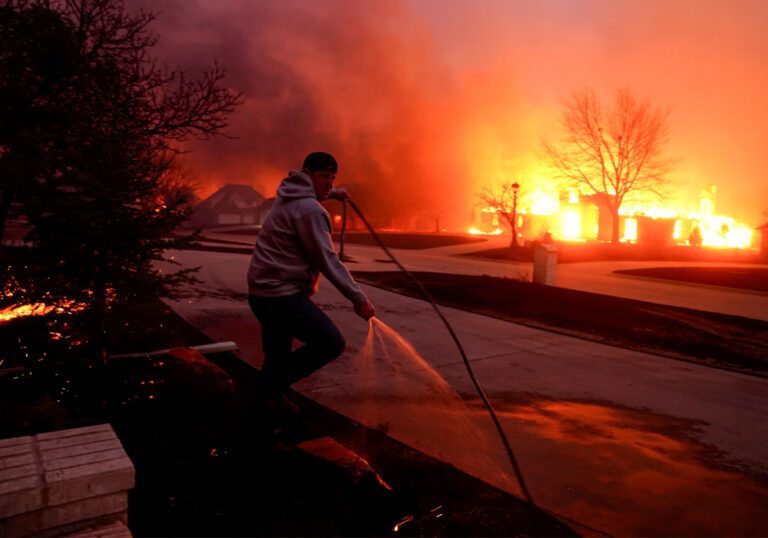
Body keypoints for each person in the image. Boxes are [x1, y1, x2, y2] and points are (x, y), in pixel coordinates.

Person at [247, 151, 376, 398]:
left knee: (277, 357)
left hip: (261, 294)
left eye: (333, 178)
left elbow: (307, 199)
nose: (329, 182)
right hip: (281, 297)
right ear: (307, 175)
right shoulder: (310, 210)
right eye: (324, 176)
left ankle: (266, 408)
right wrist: (359, 298)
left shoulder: (288, 194)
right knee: (331, 343)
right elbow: (327, 260)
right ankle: (265, 389)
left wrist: (335, 193)